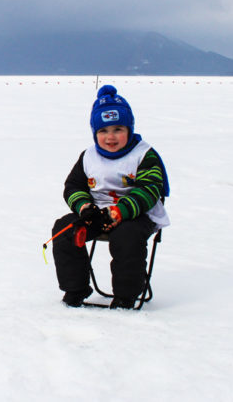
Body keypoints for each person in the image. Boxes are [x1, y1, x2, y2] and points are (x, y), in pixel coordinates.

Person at [51, 85, 169, 309]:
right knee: (64, 229)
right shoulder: (88, 156)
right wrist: (85, 207)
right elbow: (73, 186)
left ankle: (126, 295)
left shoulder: (145, 155)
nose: (110, 137)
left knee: (127, 236)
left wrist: (120, 211)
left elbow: (150, 189)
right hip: (96, 214)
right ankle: (75, 289)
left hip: (136, 215)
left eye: (118, 129)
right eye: (103, 131)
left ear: (130, 128)